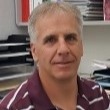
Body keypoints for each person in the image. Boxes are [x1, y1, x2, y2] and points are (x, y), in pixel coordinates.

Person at [0, 1, 110, 110]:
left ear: (81, 46)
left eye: (70, 38)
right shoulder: (12, 107)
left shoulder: (98, 94)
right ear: (34, 51)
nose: (63, 49)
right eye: (50, 40)